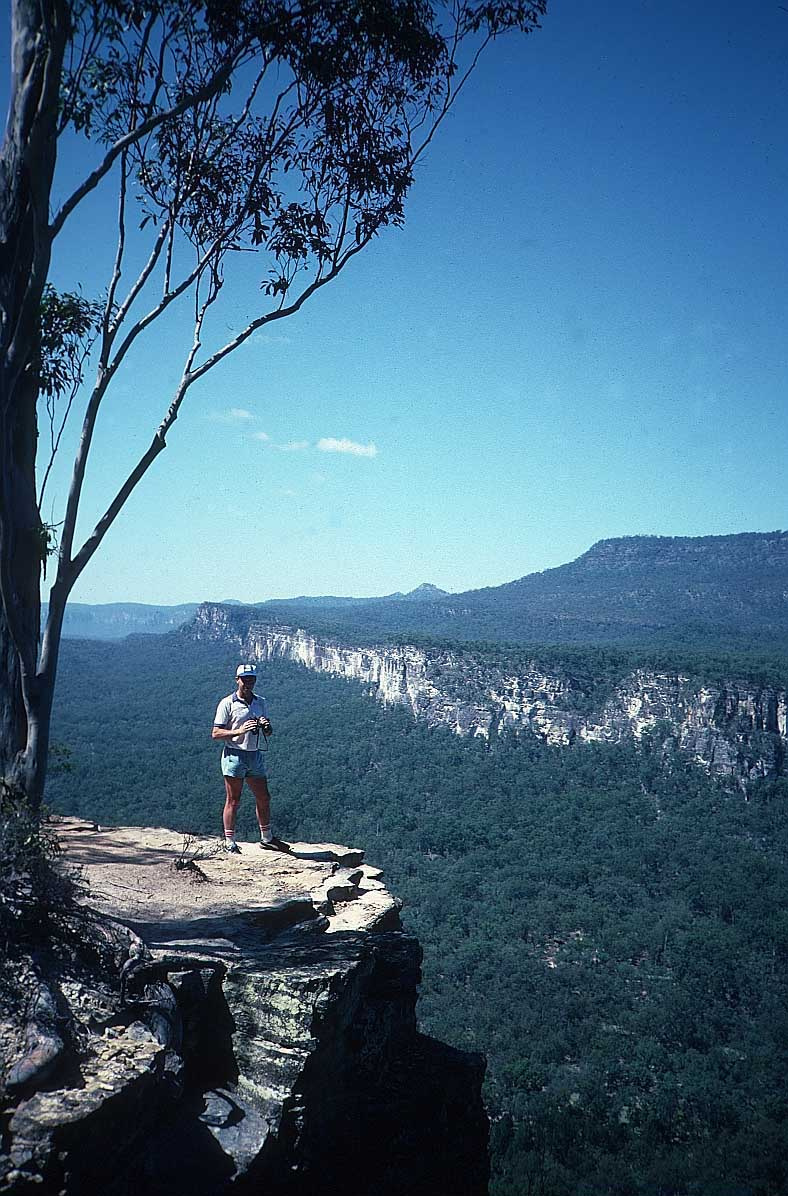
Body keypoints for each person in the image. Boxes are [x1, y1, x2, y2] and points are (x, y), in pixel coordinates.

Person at [212, 663, 290, 854]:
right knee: (233, 800)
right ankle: (229, 841)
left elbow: (269, 733)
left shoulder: (260, 702)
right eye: (245, 679)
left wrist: (266, 726)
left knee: (264, 797)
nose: (248, 683)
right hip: (234, 755)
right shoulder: (227, 703)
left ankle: (267, 837)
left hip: (254, 754)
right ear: (237, 680)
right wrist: (239, 730)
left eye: (251, 679)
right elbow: (215, 733)